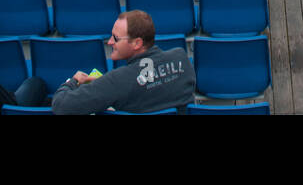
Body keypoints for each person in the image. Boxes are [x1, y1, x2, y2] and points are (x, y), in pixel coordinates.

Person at [51, 11, 195, 115]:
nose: (109, 42)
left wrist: (73, 81)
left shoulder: (117, 81)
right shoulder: (181, 58)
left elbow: (61, 106)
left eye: (116, 38)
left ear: (137, 43)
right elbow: (146, 82)